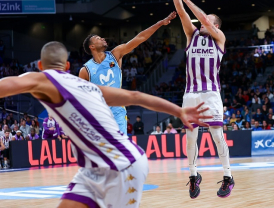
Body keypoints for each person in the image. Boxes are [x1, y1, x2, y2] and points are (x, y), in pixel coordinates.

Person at [0, 41, 210, 207]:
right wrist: (179, 111)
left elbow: (9, 84)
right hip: (93, 169)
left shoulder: (43, 79)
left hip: (122, 165)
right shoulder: (88, 86)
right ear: (67, 66)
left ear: (40, 66)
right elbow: (135, 96)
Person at [163, 0, 234, 198]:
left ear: (215, 25)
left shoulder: (219, 38)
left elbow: (201, 18)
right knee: (191, 137)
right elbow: (181, 12)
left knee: (216, 136)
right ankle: (193, 176)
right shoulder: (191, 35)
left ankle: (228, 176)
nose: (204, 21)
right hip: (190, 94)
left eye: (209, 19)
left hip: (211, 94)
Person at [79, 12, 177, 134]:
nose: (103, 38)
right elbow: (82, 98)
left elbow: (140, 38)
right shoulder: (85, 70)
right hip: (99, 113)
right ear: (92, 46)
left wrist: (160, 23)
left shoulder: (115, 54)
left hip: (117, 111)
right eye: (99, 38)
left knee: (121, 148)